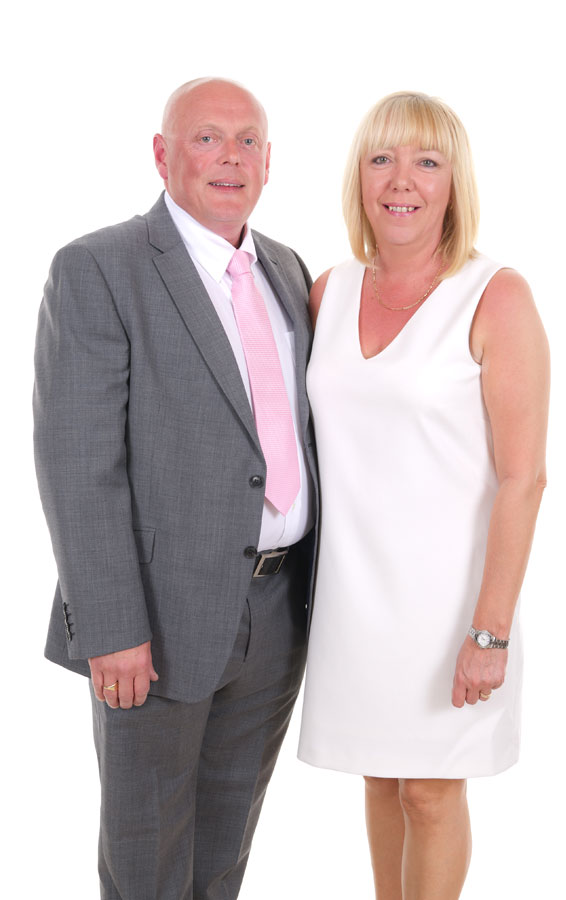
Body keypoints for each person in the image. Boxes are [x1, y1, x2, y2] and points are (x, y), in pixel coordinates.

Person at [34, 77, 317, 900]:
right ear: (162, 156)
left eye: (247, 140)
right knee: (147, 861)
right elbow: (78, 461)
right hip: (152, 626)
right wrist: (111, 628)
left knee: (224, 854)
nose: (230, 157)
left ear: (268, 162)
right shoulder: (100, 267)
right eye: (206, 138)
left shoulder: (286, 270)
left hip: (277, 612)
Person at [298, 91, 549, 899]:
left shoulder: (494, 295)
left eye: (425, 161)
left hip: (450, 606)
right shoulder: (327, 290)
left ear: (452, 183)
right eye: (381, 158)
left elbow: (523, 478)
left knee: (430, 792)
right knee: (379, 779)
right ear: (358, 178)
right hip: (351, 597)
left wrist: (490, 631)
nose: (400, 179)